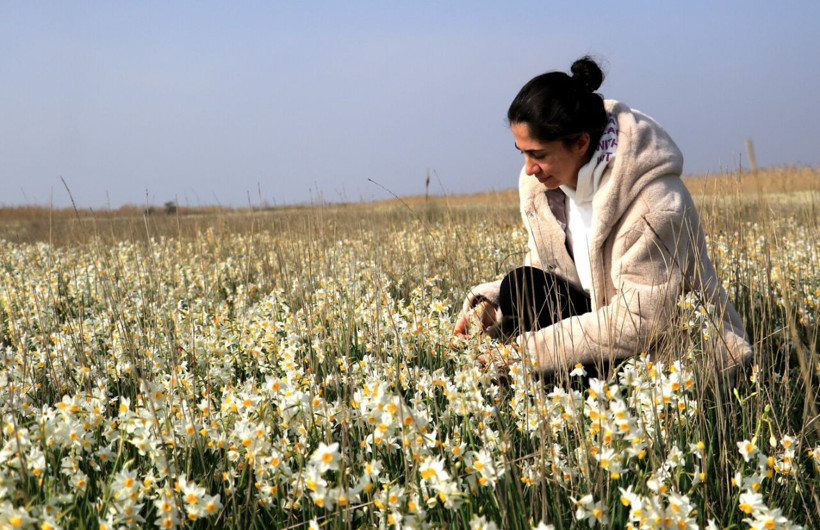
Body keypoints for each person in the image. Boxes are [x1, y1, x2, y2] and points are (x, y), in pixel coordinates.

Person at [454, 56, 751, 384]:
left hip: (667, 352)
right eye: (521, 152)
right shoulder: (542, 187)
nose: (528, 168)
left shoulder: (654, 201)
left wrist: (524, 353)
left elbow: (640, 322)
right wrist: (491, 306)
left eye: (538, 154)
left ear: (581, 143)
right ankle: (559, 391)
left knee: (535, 367)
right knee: (519, 286)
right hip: (605, 330)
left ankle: (568, 396)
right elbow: (545, 275)